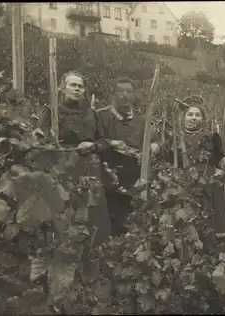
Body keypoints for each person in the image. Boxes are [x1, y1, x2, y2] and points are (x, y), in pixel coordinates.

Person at [33, 70, 112, 248]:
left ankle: (96, 256)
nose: (77, 89)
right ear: (62, 88)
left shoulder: (92, 114)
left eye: (80, 86)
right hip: (61, 167)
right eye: (72, 85)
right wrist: (45, 139)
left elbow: (105, 141)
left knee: (92, 212)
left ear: (85, 91)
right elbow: (39, 141)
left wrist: (93, 146)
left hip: (88, 168)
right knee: (64, 212)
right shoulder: (50, 111)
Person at [96, 76, 162, 237]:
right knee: (108, 221)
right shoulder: (100, 116)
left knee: (133, 219)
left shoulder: (141, 119)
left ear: (134, 95)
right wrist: (111, 142)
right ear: (113, 94)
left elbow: (156, 140)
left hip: (135, 178)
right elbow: (93, 141)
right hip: (107, 175)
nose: (125, 95)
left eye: (129, 92)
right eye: (121, 91)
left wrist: (156, 146)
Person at [165, 96, 225, 233]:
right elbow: (167, 161)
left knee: (211, 223)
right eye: (190, 114)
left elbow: (223, 159)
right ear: (184, 117)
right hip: (185, 186)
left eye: (198, 115)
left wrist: (222, 169)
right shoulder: (176, 138)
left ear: (203, 119)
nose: (193, 118)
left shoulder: (211, 136)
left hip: (209, 185)